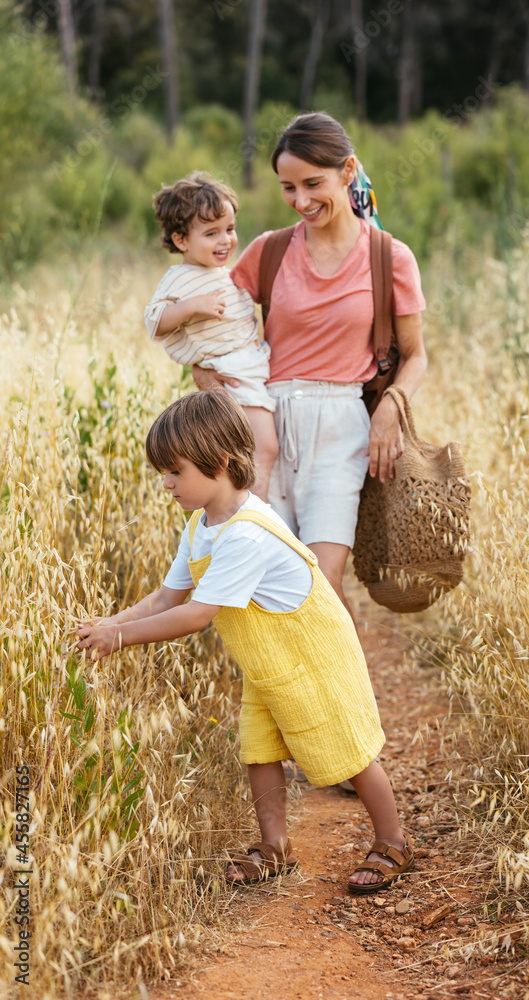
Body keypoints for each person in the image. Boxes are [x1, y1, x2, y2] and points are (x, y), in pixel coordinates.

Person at [75, 390, 415, 893]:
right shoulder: (201, 525)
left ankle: (392, 840)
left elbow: (196, 614)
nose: (166, 483)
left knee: (348, 748)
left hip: (312, 653)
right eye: (163, 472)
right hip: (269, 657)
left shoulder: (246, 534)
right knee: (260, 749)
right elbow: (166, 598)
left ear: (220, 462)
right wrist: (108, 623)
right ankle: (275, 846)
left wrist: (118, 637)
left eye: (175, 471)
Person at [191, 113, 427, 617]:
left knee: (322, 584)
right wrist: (203, 372)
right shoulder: (269, 251)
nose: (301, 201)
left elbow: (415, 354)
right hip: (263, 423)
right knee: (261, 585)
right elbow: (212, 322)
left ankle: (347, 675)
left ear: (348, 171)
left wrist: (391, 407)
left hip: (341, 427)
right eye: (288, 187)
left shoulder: (389, 257)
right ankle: (282, 675)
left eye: (313, 184)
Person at [145, 172, 279, 501]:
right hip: (230, 372)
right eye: (211, 233)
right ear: (181, 241)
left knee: (249, 448)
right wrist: (191, 306)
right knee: (263, 447)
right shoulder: (180, 278)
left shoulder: (225, 274)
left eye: (230, 229)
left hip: (249, 366)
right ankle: (253, 513)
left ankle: (245, 509)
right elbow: (155, 321)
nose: (225, 240)